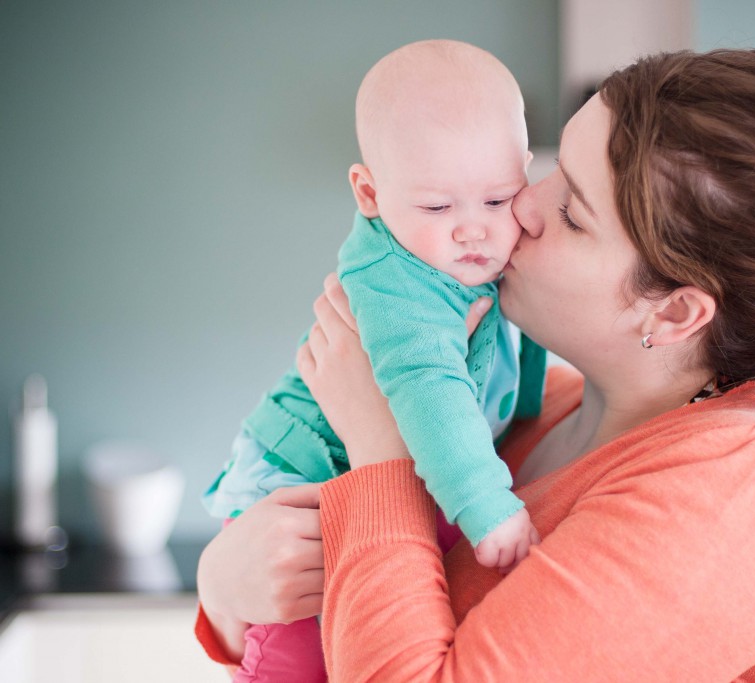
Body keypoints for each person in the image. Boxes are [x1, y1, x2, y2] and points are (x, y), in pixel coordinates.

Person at [195, 48, 755, 681]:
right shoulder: (532, 402)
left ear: (676, 309)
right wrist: (227, 599)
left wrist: (381, 449)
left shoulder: (742, 500)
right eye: (544, 173)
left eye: (571, 210)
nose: (520, 207)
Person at [200, 39, 545, 681]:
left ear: (523, 169)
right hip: (301, 481)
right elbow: (429, 390)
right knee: (303, 644)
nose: (473, 229)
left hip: (377, 475)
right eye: (438, 207)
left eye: (498, 198)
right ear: (368, 192)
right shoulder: (397, 281)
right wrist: (489, 505)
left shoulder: (470, 251)